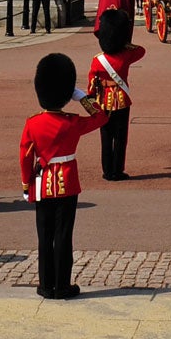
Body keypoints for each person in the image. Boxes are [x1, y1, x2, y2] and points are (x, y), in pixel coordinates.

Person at [21, 52, 109, 299]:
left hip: (41, 184)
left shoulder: (32, 123)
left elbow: (25, 156)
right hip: (67, 183)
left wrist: (26, 183)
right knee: (63, 235)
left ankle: (46, 285)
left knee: (44, 236)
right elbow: (102, 117)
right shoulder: (72, 122)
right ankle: (62, 285)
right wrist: (81, 96)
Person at [88, 8, 145, 180]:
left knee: (106, 138)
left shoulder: (97, 60)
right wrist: (124, 42)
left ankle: (107, 170)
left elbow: (91, 84)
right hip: (121, 100)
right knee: (120, 138)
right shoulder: (126, 56)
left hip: (103, 100)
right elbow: (141, 50)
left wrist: (92, 100)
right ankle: (117, 170)